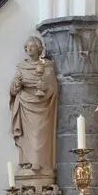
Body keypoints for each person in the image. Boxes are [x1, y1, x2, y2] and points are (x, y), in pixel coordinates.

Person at [9, 33, 59, 175]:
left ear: (39, 49)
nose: (29, 49)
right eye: (27, 47)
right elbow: (13, 90)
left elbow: (54, 87)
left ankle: (43, 166)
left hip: (43, 106)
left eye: (32, 46)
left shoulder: (47, 66)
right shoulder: (22, 67)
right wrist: (16, 86)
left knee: (39, 136)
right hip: (25, 105)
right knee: (27, 138)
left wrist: (45, 87)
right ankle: (27, 164)